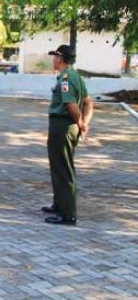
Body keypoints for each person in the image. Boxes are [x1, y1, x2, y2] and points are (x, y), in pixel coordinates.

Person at [43, 45, 93, 226]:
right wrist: (84, 122)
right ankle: (59, 204)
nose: (53, 59)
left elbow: (72, 106)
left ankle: (68, 214)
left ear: (61, 58)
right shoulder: (76, 77)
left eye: (55, 56)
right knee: (58, 166)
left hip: (63, 127)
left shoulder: (66, 79)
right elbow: (88, 103)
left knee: (64, 169)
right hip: (67, 126)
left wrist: (80, 122)